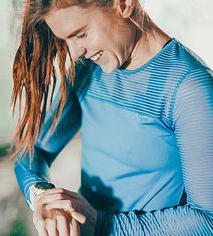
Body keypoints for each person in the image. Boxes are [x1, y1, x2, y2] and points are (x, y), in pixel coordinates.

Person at [12, 0, 213, 235]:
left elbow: (207, 219)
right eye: (66, 39)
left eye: (82, 34)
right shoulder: (86, 71)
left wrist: (102, 224)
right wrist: (43, 196)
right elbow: (32, 150)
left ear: (125, 4)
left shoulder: (189, 88)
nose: (76, 53)